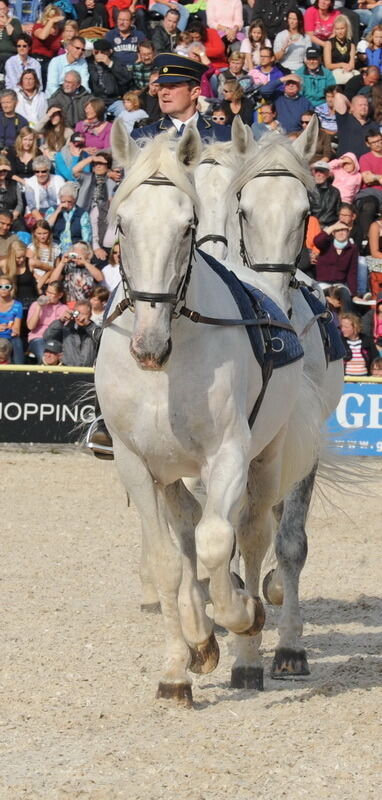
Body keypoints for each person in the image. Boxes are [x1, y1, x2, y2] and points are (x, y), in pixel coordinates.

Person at [131, 53, 231, 141]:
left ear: (194, 93)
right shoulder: (142, 137)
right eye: (161, 86)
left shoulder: (224, 136)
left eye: (173, 86)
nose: (163, 92)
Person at [73, 151, 116, 259]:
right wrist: (91, 158)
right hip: (83, 213)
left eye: (101, 164)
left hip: (101, 216)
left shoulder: (112, 180)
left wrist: (108, 174)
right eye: (96, 163)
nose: (97, 166)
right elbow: (75, 170)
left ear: (108, 166)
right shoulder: (87, 177)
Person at [44, 299, 100, 366]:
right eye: (78, 313)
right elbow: (47, 336)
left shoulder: (94, 331)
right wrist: (60, 321)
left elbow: (101, 338)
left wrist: (88, 325)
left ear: (90, 315)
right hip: (68, 370)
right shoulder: (66, 330)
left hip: (88, 371)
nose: (80, 317)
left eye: (83, 314)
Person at [314, 221, 358, 304]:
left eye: (344, 230)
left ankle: (348, 316)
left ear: (348, 233)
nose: (341, 233)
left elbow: (352, 273)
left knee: (346, 297)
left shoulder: (352, 248)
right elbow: (317, 241)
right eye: (338, 230)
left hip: (339, 284)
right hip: (323, 284)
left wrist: (354, 294)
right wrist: (332, 227)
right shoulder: (327, 244)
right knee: (320, 300)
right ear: (333, 233)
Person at [27, 280, 68, 362]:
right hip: (38, 338)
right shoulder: (35, 305)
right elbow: (30, 326)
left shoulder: (64, 308)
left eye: (52, 293)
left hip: (56, 340)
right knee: (45, 357)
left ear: (60, 295)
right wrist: (39, 307)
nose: (48, 295)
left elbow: (64, 330)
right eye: (47, 292)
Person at [46, 183, 92, 250]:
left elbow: (86, 238)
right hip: (54, 247)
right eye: (63, 201)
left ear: (75, 200)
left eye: (69, 202)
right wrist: (57, 212)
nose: (66, 204)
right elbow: (46, 227)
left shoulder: (82, 214)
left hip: (75, 249)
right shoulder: (52, 210)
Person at [88, 39, 131, 109]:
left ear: (110, 52)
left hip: (114, 99)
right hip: (96, 99)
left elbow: (126, 78)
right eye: (96, 52)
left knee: (124, 111)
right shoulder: (88, 62)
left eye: (102, 52)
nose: (99, 54)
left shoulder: (116, 61)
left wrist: (110, 64)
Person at [31, 4, 65, 89]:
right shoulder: (38, 27)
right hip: (37, 58)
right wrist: (50, 22)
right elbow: (43, 36)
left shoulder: (60, 31)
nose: (54, 20)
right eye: (51, 17)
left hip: (51, 61)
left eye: (55, 18)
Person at [334, 92, 375, 158]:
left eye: (366, 105)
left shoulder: (373, 124)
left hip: (367, 165)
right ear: (352, 107)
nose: (363, 107)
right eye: (360, 105)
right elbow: (338, 96)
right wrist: (350, 106)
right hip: (346, 164)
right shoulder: (345, 119)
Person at [26, 220, 61, 291]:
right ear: (34, 233)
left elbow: (58, 267)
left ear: (50, 233)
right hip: (35, 281)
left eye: (45, 233)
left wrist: (50, 280)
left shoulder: (55, 247)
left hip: (51, 280)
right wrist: (40, 279)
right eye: (39, 233)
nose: (42, 236)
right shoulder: (32, 248)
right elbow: (28, 268)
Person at [340, 311, 379, 375]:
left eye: (346, 327)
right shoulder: (340, 342)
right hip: (346, 379)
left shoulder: (367, 341)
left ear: (355, 327)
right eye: (342, 326)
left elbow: (375, 359)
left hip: (364, 379)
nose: (342, 329)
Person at [323, 14, 357, 85]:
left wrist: (348, 68)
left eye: (342, 28)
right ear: (334, 29)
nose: (340, 31)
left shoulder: (351, 44)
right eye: (337, 29)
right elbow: (328, 65)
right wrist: (342, 64)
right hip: (333, 72)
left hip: (347, 71)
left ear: (346, 28)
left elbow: (352, 64)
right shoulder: (329, 43)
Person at [273, 9, 310, 74]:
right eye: (290, 18)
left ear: (299, 21)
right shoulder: (281, 35)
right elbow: (276, 58)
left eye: (294, 19)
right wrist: (284, 47)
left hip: (299, 69)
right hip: (283, 69)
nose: (292, 21)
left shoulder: (306, 37)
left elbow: (307, 58)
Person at [0, 274, 23, 363]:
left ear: (11, 288)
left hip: (10, 336)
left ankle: (19, 370)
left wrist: (14, 330)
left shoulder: (17, 305)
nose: (3, 289)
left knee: (17, 342)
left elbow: (17, 330)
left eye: (7, 286)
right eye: (0, 286)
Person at [310, 160, 341, 226]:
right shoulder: (307, 190)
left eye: (321, 171)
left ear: (327, 174)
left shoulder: (335, 192)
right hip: (311, 226)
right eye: (316, 171)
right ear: (313, 173)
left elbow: (338, 212)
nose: (318, 174)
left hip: (328, 227)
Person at [0, 156, 24, 225]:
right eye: (0, 171)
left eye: (5, 170)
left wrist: (14, 215)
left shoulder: (14, 184)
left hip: (13, 217)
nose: (3, 173)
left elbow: (20, 204)